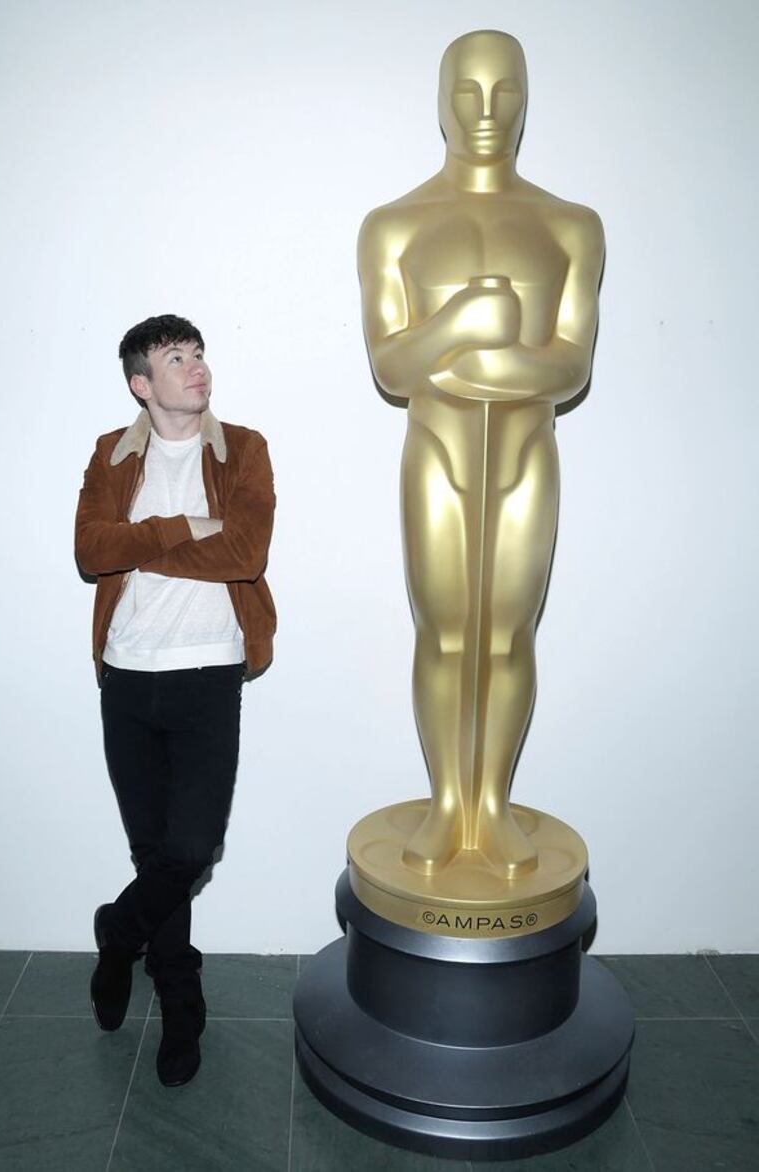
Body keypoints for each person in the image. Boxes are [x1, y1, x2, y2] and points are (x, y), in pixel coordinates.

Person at [358, 31, 604, 878]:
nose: (488, 111)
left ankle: (489, 805)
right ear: (440, 99)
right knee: (443, 633)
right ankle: (445, 807)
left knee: (506, 636)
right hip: (436, 451)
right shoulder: (393, 227)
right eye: (468, 91)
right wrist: (464, 321)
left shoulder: (570, 225)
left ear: (528, 97)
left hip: (528, 453)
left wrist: (470, 360)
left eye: (505, 91)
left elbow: (570, 365)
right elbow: (391, 366)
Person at [75, 314, 275, 1085]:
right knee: (154, 854)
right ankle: (181, 1000)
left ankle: (117, 935)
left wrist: (147, 540)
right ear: (141, 383)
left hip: (207, 675)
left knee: (188, 849)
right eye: (173, 358)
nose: (195, 367)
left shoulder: (243, 450)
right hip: (125, 676)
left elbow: (246, 551)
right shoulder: (111, 455)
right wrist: (188, 524)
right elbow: (93, 551)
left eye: (198, 354)